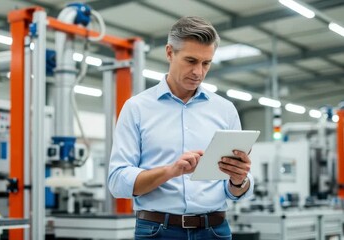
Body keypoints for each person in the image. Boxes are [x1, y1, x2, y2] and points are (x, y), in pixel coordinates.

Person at [108, 16, 254, 240]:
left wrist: (239, 180)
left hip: (215, 230)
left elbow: (233, 191)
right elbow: (118, 182)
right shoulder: (137, 108)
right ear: (169, 52)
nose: (198, 72)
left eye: (206, 63)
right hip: (157, 231)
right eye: (191, 61)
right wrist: (171, 171)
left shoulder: (225, 110)